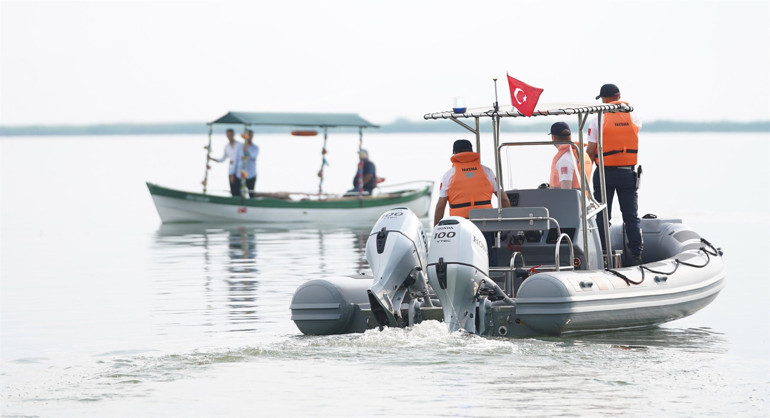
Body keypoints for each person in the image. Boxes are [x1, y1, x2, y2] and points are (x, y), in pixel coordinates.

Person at [586, 83, 643, 265]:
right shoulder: (633, 115)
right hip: (628, 173)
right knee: (631, 217)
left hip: (605, 174)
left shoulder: (597, 118)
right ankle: (637, 254)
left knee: (603, 216)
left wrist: (585, 171)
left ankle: (603, 253)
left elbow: (591, 150)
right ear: (619, 97)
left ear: (604, 99)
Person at [434, 139, 511, 266]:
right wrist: (505, 225)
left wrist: (436, 230)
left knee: (462, 259)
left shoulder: (448, 175)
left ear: (454, 153)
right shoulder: (487, 172)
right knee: (488, 257)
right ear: (471, 151)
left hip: (460, 225)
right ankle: (493, 274)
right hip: (486, 223)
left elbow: (440, 206)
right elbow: (504, 200)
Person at [549, 122, 592, 190]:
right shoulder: (582, 154)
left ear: (553, 138)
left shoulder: (564, 159)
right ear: (570, 136)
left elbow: (566, 190)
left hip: (569, 197)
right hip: (583, 196)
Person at [208, 128, 242, 196]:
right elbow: (222, 159)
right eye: (228, 135)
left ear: (233, 135)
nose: (229, 136)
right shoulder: (227, 146)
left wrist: (233, 173)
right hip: (231, 170)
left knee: (238, 189)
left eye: (231, 135)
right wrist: (211, 158)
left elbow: (240, 159)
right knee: (233, 190)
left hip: (239, 171)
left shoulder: (240, 145)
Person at [234, 129, 259, 198]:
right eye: (248, 135)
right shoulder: (240, 147)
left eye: (250, 135)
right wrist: (233, 173)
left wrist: (246, 151)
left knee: (251, 192)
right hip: (240, 173)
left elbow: (253, 157)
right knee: (238, 192)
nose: (249, 137)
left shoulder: (255, 147)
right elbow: (236, 160)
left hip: (251, 173)